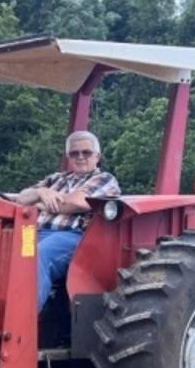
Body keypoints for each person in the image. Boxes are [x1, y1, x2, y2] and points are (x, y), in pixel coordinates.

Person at [17, 130, 121, 311]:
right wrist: (41, 192)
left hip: (74, 236)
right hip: (35, 231)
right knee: (6, 253)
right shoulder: (57, 178)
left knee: (38, 254)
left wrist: (41, 204)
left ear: (97, 156)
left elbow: (78, 202)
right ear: (68, 157)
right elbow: (22, 198)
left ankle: (23, 320)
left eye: (86, 152)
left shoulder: (104, 179)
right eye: (74, 153)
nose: (80, 157)